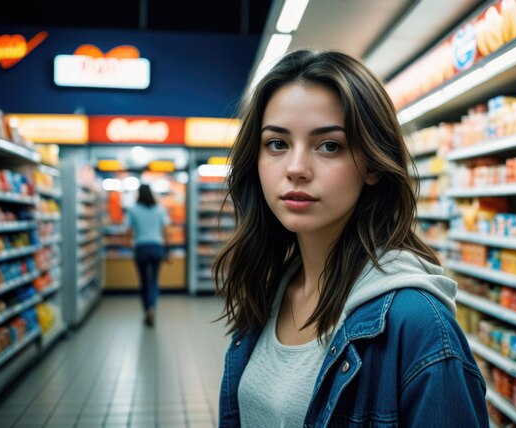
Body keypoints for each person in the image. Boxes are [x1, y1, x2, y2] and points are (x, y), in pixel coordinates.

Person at [213, 50, 489, 427]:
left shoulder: (420, 325)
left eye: (329, 146)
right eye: (277, 144)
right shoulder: (270, 288)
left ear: (373, 165)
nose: (296, 169)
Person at [125, 183, 171, 327]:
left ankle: (147, 310)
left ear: (138, 194)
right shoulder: (160, 209)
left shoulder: (133, 210)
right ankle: (152, 307)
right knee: (154, 280)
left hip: (141, 248)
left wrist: (130, 245)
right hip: (157, 247)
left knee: (144, 281)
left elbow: (128, 232)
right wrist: (168, 250)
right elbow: (166, 232)